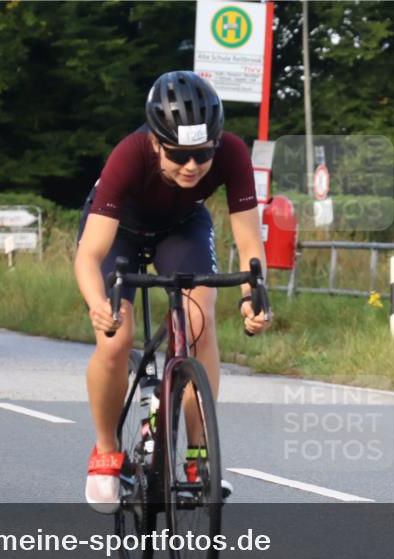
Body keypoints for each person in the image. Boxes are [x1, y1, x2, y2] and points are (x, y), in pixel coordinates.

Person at [74, 71, 272, 513]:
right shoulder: (129, 155)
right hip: (119, 230)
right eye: (179, 155)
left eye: (202, 155)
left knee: (199, 319)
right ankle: (106, 451)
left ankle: (199, 454)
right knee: (117, 336)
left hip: (180, 227)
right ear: (156, 142)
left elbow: (249, 244)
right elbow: (89, 256)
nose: (192, 166)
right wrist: (98, 306)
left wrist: (253, 298)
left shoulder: (233, 153)